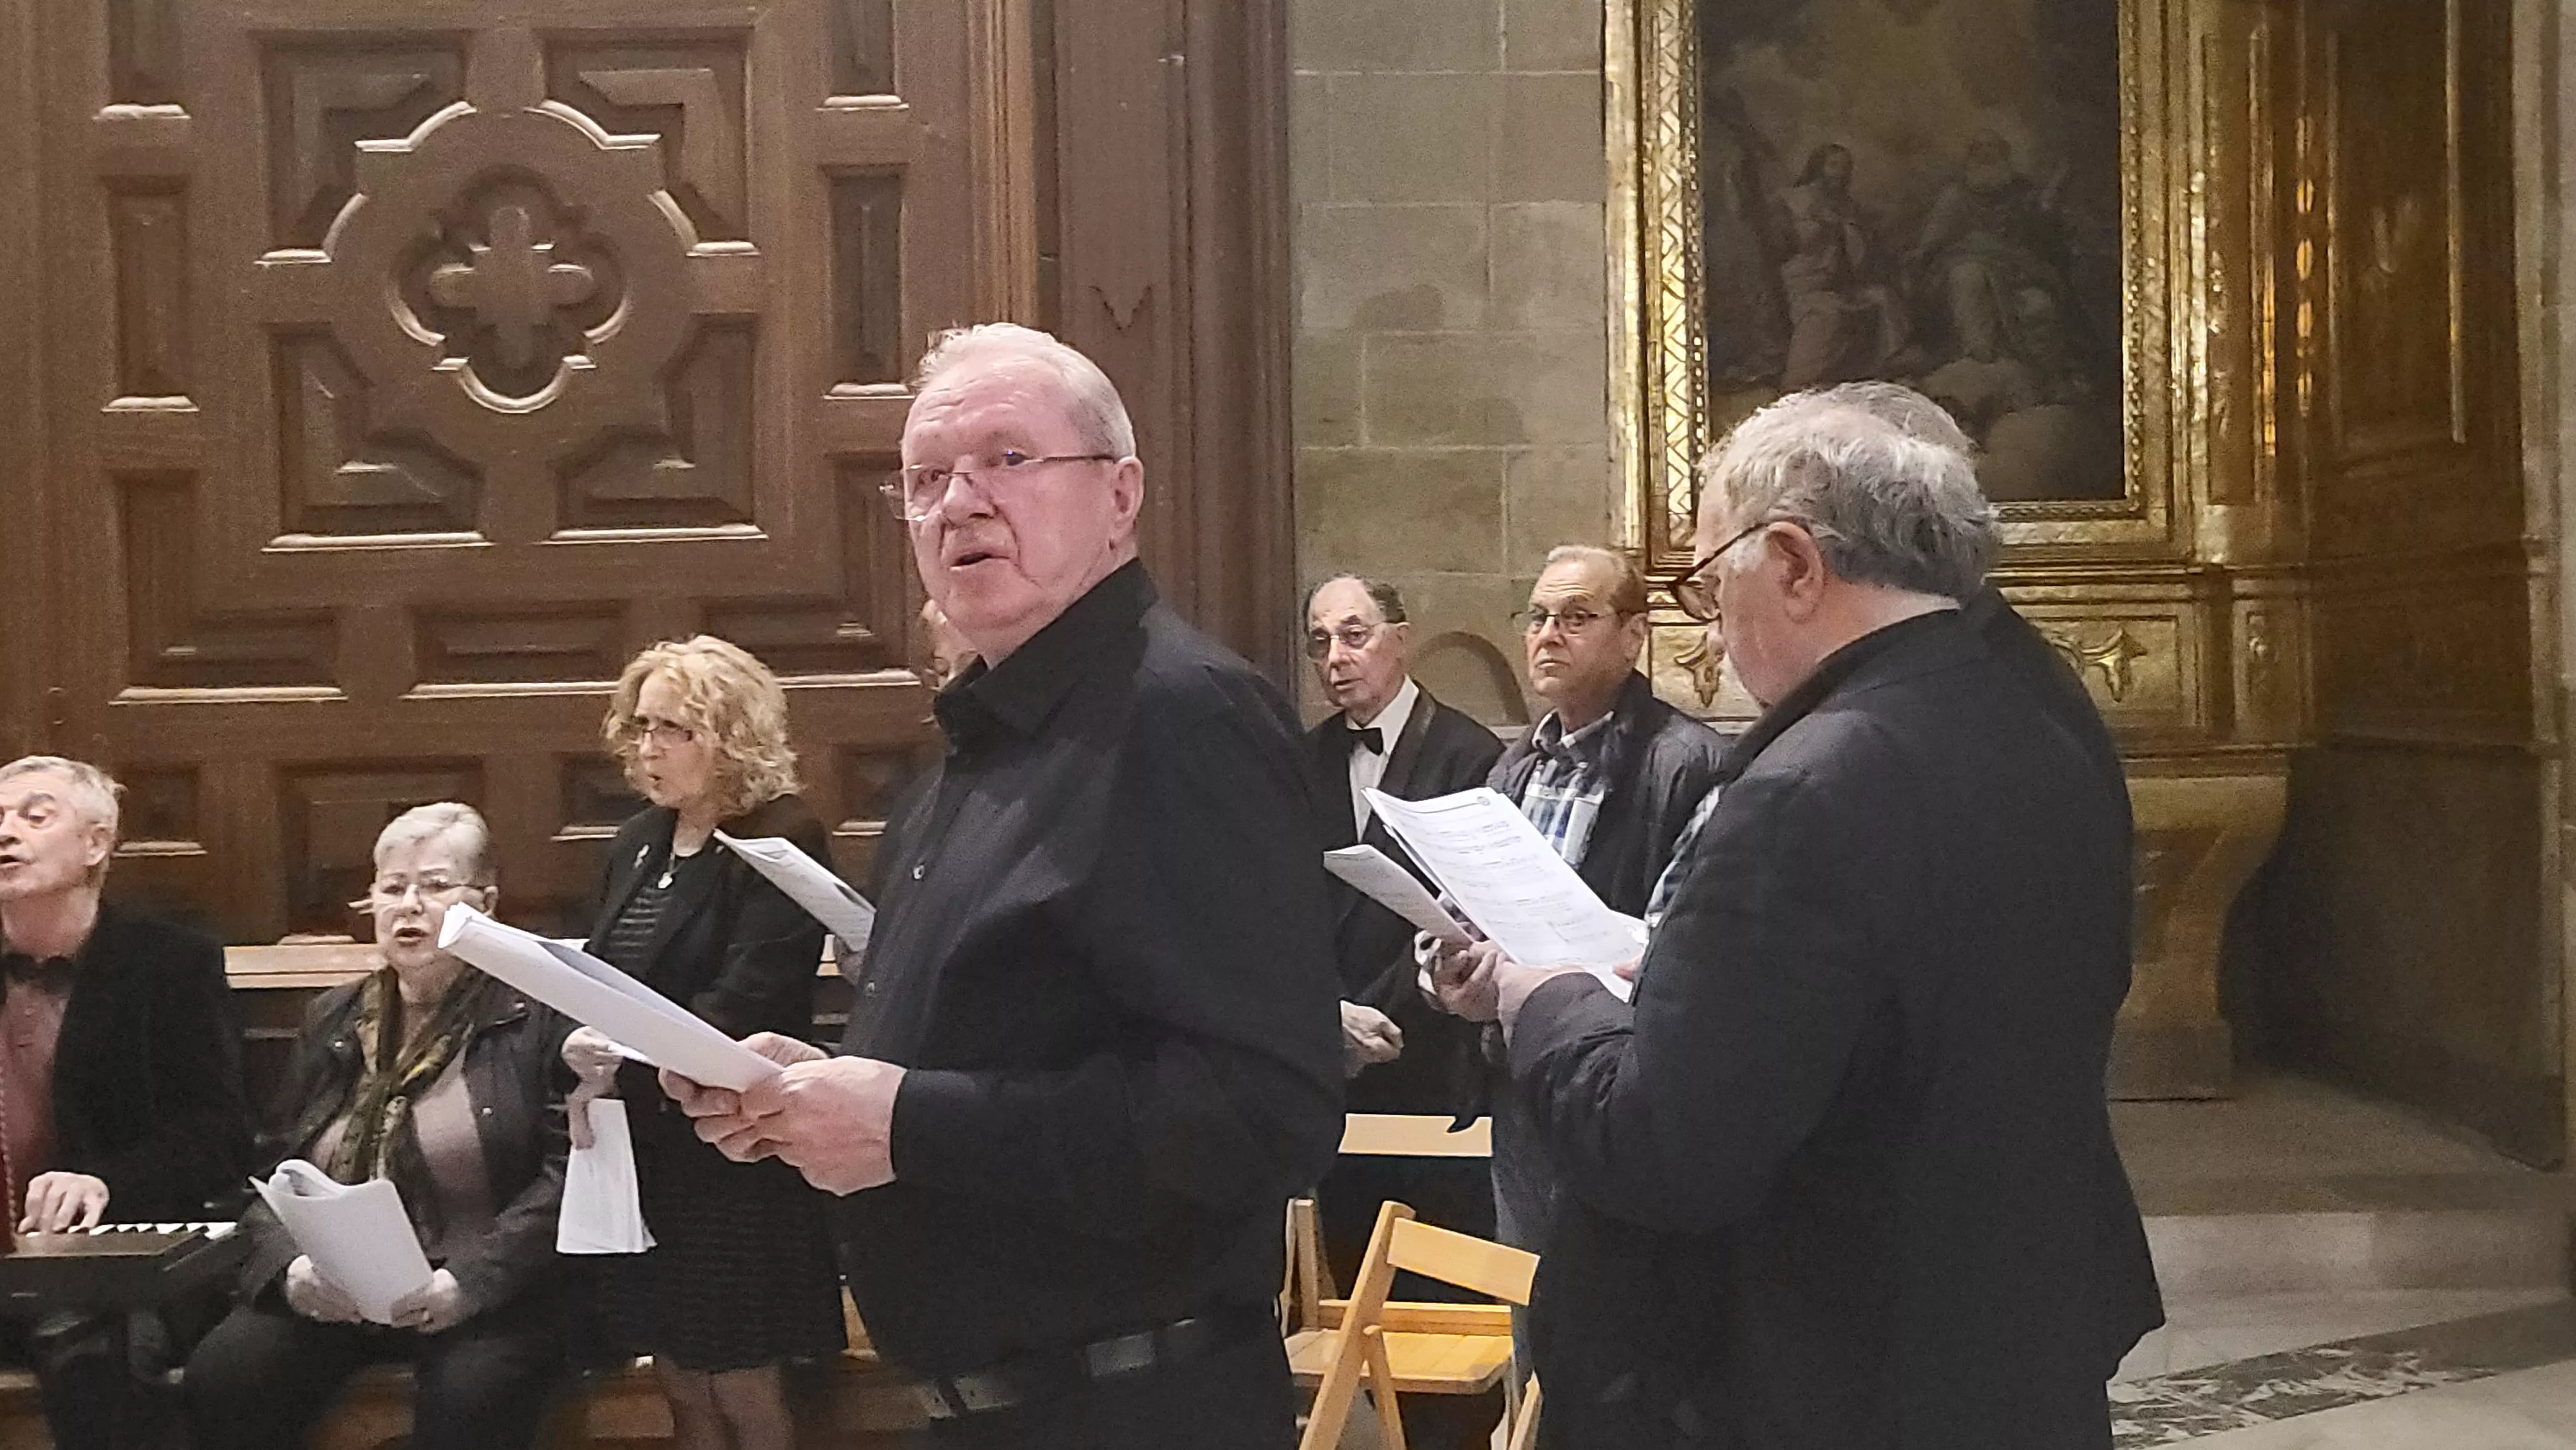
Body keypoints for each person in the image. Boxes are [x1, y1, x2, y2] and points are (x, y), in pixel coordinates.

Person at [1434, 383, 2161, 1449]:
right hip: (2006, 1329)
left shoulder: (1810, 784)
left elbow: (1665, 1145)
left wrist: (1544, 996)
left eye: (1706, 581)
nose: (1713, 628)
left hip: (1835, 1361)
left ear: (1791, 562)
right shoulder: (2035, 712)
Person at [663, 322, 1343, 1449]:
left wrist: (903, 1124)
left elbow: (1260, 1112)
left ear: (1120, 495)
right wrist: (815, 1096)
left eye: (1008, 460)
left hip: (1135, 1411)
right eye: (927, 477)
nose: (959, 501)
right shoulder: (969, 758)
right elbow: (996, 1050)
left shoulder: (1181, 718)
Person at [185, 804, 573, 1450]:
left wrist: (468, 1283)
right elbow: (273, 1173)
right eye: (392, 888)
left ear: (488, 901)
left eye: (436, 885)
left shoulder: (536, 1014)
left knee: (472, 1394)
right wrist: (294, 1271)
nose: (409, 905)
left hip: (493, 1291)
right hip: (340, 1286)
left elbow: (566, 1179)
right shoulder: (334, 1016)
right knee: (226, 1373)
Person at [560, 637, 846, 1450]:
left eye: (674, 729)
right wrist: (580, 1052)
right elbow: (599, 974)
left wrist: (627, 1057)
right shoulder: (638, 841)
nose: (648, 746)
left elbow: (747, 995)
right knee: (681, 1385)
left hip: (733, 1153)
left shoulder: (780, 837)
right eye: (641, 726)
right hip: (647, 1150)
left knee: (743, 1387)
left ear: (730, 735)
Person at [1477, 547, 1725, 1277]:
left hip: (1614, 1083)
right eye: (1539, 617)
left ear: (1632, 633)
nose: (1548, 634)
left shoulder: (1688, 763)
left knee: (1607, 1322)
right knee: (1527, 1315)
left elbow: (1679, 944)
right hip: (1520, 1086)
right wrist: (1453, 972)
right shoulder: (1512, 765)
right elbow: (1474, 912)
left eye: (1576, 617)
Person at [1301, 575, 1503, 1450]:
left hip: (1430, 1060)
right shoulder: (1301, 760)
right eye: (1320, 643)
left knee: (1445, 1314)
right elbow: (1278, 906)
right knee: (1348, 1307)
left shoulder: (1470, 753)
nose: (1336, 660)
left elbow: (1468, 914)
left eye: (1353, 635)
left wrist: (1378, 1012)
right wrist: (1322, 1015)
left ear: (1401, 639)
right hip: (1328, 1064)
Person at [0, 756, 253, 1450]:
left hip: (118, 1266)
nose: (5, 832)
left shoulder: (170, 963)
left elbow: (217, 1133)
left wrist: (105, 1182)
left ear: (96, 843)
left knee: (87, 1344)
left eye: (33, 814)